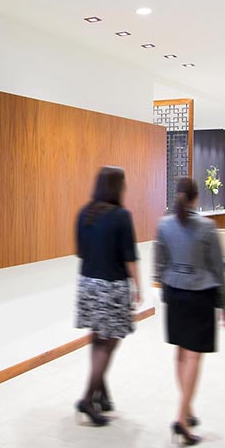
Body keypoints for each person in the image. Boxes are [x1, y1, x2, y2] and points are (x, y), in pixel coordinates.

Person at [154, 177, 225, 446]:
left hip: (175, 293)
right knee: (194, 357)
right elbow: (218, 269)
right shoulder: (207, 227)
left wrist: (167, 295)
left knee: (180, 353)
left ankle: (187, 408)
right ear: (196, 198)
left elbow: (159, 265)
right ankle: (182, 420)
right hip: (200, 296)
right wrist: (224, 305)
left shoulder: (164, 225)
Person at [74, 166, 142, 426]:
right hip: (112, 286)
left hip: (87, 284)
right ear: (117, 187)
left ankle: (102, 394)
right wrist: (138, 286)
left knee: (97, 338)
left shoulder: (85, 213)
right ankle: (88, 397)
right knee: (109, 341)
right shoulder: (121, 216)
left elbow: (79, 251)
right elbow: (130, 256)